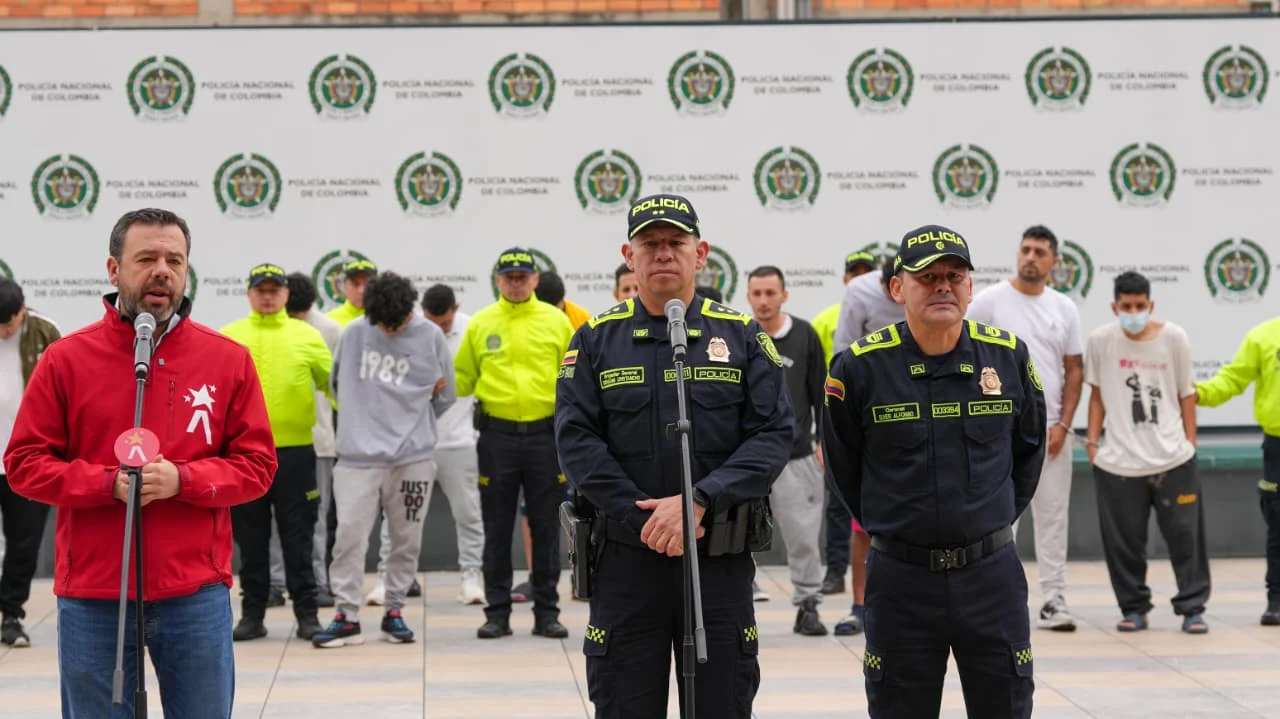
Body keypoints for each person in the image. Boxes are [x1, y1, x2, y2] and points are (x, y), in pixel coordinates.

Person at [3, 208, 277, 717]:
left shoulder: (227, 360)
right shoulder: (66, 359)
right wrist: (106, 485)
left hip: (194, 593)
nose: (162, 270)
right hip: (94, 594)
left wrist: (185, 479)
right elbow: (23, 463)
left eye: (175, 260)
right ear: (114, 270)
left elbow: (257, 466)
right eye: (146, 258)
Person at [555, 193, 794, 719]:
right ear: (629, 254)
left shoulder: (741, 336)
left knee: (721, 705)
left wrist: (701, 500)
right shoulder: (595, 339)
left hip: (718, 562)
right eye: (650, 244)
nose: (663, 253)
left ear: (700, 252)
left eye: (675, 243)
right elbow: (576, 441)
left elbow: (774, 433)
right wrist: (645, 515)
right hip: (627, 562)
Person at [822, 224, 1045, 719]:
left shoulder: (1007, 357)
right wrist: (899, 525)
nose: (943, 286)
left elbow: (1028, 453)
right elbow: (844, 468)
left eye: (954, 275)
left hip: (990, 579)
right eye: (927, 277)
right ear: (898, 288)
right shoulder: (858, 369)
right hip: (901, 581)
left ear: (970, 287)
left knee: (1005, 706)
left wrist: (988, 520)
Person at [313, 271, 455, 648]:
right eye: (382, 324)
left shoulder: (430, 336)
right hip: (358, 457)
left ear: (411, 311)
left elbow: (446, 394)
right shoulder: (355, 333)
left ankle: (394, 610)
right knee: (348, 537)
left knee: (406, 537)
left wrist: (412, 423)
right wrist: (367, 419)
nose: (389, 331)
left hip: (414, 457)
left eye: (397, 324)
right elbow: (336, 385)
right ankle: (346, 614)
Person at [966, 225, 1084, 632]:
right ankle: (997, 598)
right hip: (998, 435)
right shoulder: (989, 302)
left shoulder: (1064, 308)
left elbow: (1074, 370)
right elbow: (964, 351)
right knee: (999, 520)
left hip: (1051, 433)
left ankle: (1054, 600)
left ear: (1054, 263)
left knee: (1053, 518)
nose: (1031, 257)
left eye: (1040, 252)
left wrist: (1064, 424)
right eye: (1026, 249)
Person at [457, 248, 574, 640]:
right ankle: (497, 613)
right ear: (497, 281)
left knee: (545, 528)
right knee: (497, 528)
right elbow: (461, 379)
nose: (516, 283)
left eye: (523, 276)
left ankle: (547, 613)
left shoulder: (557, 322)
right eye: (509, 277)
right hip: (497, 438)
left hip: (545, 437)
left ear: (536, 280)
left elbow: (574, 381)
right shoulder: (481, 324)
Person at [1084, 271, 1209, 635]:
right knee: (1124, 544)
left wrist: (1190, 445)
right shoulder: (1101, 340)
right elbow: (1097, 396)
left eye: (1140, 306)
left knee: (1186, 538)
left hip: (1173, 459)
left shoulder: (1174, 337)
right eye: (1126, 306)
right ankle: (1134, 608)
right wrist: (1093, 445)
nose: (1133, 312)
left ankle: (1192, 608)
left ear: (1151, 304)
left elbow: (1187, 394)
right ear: (1114, 306)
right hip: (1119, 463)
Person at [220, 263, 332, 641]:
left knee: (298, 538)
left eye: (274, 290)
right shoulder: (230, 337)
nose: (267, 296)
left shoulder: (308, 335)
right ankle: (252, 614)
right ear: (250, 294)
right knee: (250, 541)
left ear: (286, 295)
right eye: (260, 290)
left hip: (297, 455)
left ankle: (307, 616)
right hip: (244, 456)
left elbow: (335, 387)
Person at [366, 284, 486, 607]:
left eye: (445, 323)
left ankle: (471, 576)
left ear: (456, 309)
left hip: (458, 438)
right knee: (399, 515)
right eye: (432, 321)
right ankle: (387, 579)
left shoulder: (472, 327)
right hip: (412, 441)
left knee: (468, 512)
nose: (438, 329)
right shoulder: (408, 331)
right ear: (422, 311)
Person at [746, 265, 829, 636]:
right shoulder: (738, 335)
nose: (763, 301)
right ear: (748, 297)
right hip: (744, 458)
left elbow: (822, 395)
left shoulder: (805, 336)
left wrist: (824, 441)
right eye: (757, 294)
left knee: (804, 538)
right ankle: (735, 608)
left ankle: (808, 604)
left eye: (770, 293)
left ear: (784, 295)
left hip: (795, 455)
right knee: (733, 536)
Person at [825, 258, 904, 633]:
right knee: (863, 524)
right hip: (874, 414)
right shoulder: (860, 292)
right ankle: (860, 605)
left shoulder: (926, 288)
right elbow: (843, 354)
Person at [1194, 312, 1280, 624]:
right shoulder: (1264, 336)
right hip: (1277, 445)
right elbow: (1233, 378)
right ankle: (1276, 600)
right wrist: (1198, 394)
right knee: (1279, 526)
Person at [0, 277, 60, 647]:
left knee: (24, 544)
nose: (3, 330)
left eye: (8, 322)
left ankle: (12, 615)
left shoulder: (46, 333)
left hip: (26, 461)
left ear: (22, 310)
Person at [285, 272, 340, 608]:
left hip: (320, 438)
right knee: (276, 521)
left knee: (317, 516)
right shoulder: (271, 330)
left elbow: (340, 385)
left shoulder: (331, 330)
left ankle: (319, 581)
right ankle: (277, 582)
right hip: (277, 438)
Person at [812, 251, 878, 365]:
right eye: (855, 275)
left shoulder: (893, 314)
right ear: (845, 280)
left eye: (867, 275)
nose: (862, 281)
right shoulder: (823, 321)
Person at [326, 259, 377, 328]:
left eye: (367, 284)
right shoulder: (329, 321)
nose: (361, 290)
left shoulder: (385, 320)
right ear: (345, 286)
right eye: (355, 284)